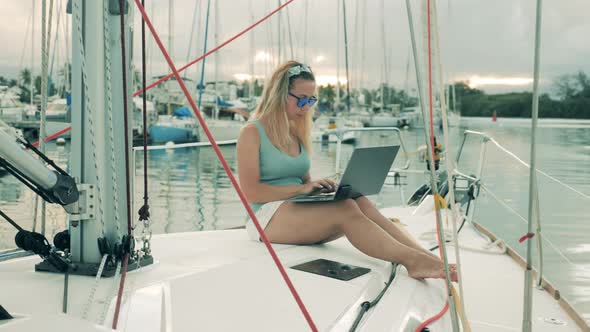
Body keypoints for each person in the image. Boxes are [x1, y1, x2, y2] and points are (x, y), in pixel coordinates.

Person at [236, 61, 456, 281]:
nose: (306, 106)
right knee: (346, 209)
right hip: (264, 217)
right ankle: (413, 262)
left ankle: (428, 258)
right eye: (301, 99)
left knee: (358, 200)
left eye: (311, 100)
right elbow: (251, 193)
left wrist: (319, 190)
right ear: (279, 95)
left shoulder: (295, 132)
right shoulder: (252, 132)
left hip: (293, 208)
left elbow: (303, 181)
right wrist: (303, 189)